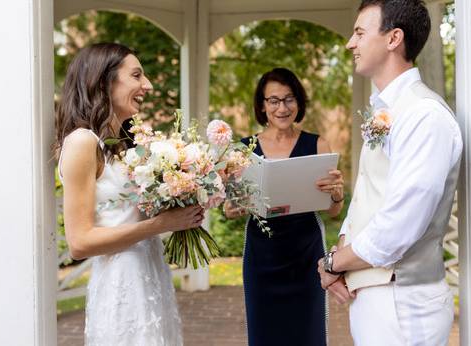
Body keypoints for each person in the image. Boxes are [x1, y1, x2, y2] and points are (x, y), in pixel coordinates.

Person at [317, 1, 463, 345]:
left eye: (359, 32)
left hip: (405, 302)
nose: (350, 43)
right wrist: (340, 259)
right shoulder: (388, 110)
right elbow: (368, 192)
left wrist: (333, 261)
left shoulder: (424, 116)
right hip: (376, 297)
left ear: (393, 38)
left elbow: (400, 224)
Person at [55, 43, 205, 345]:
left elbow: (132, 211)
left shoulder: (124, 143)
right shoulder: (83, 142)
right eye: (136, 76)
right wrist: (161, 225)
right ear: (104, 81)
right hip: (121, 282)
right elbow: (79, 242)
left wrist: (181, 191)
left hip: (150, 272)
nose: (146, 85)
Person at [225, 67, 345, 346]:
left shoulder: (318, 144)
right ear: (262, 106)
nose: (282, 107)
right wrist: (231, 208)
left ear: (299, 102)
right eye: (274, 100)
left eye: (289, 99)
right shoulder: (242, 150)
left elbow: (333, 211)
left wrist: (337, 195)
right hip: (261, 256)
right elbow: (229, 208)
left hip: (306, 255)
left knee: (308, 332)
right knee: (264, 333)